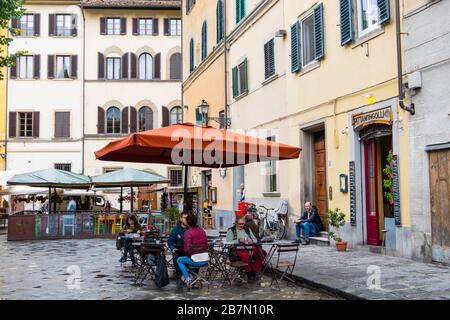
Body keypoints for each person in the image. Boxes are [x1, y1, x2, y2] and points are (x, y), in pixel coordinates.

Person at [227, 216, 265, 282]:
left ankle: (254, 269)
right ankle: (249, 273)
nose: (241, 225)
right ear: (236, 223)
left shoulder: (247, 229)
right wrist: (238, 241)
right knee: (245, 255)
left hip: (250, 248)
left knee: (263, 253)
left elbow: (255, 240)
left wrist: (252, 241)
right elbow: (228, 242)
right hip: (238, 249)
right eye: (239, 224)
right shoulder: (231, 230)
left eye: (243, 224)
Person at [177, 214, 209, 284]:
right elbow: (206, 244)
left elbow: (187, 250)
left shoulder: (188, 232)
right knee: (190, 259)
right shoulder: (202, 231)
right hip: (206, 259)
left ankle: (187, 278)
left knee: (179, 260)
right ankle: (194, 277)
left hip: (196, 260)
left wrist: (190, 255)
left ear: (188, 222)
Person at [168, 211, 189, 279]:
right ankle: (180, 274)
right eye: (184, 218)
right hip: (179, 251)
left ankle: (189, 274)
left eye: (187, 218)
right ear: (181, 219)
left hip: (189, 251)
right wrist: (172, 248)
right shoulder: (175, 229)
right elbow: (170, 241)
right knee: (176, 256)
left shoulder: (190, 229)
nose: (186, 220)